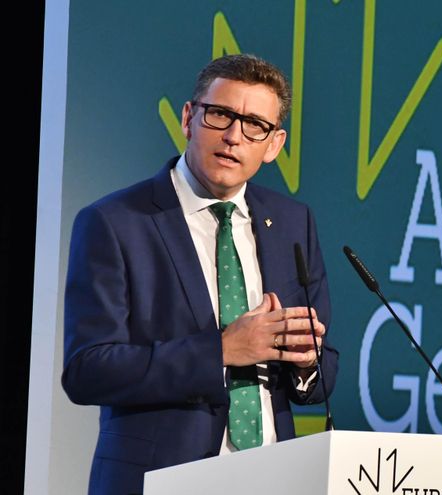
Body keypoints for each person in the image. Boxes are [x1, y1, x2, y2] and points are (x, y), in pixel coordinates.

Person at [61, 53, 338, 494]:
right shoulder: (116, 222)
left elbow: (322, 370)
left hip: (275, 477)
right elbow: (88, 369)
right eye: (220, 115)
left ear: (274, 145)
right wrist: (222, 351)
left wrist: (306, 361)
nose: (233, 137)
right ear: (189, 118)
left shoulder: (292, 223)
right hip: (161, 479)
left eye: (254, 126)